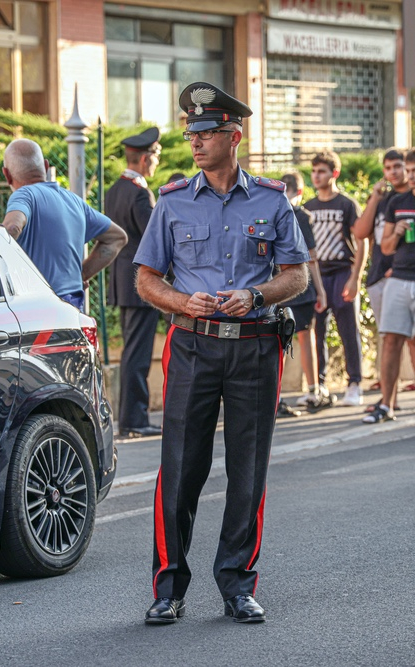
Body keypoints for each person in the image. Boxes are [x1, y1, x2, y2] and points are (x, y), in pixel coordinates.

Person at [134, 82, 309, 625]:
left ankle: (237, 583)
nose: (196, 141)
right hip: (191, 345)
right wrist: (184, 299)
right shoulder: (172, 200)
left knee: (247, 470)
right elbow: (145, 279)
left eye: (207, 132)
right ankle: (169, 587)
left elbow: (297, 275)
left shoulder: (272, 199)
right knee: (181, 467)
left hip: (256, 346)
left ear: (235, 135)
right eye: (192, 133)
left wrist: (255, 295)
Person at [362, 146, 415, 426]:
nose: (409, 176)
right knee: (390, 341)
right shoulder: (396, 202)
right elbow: (385, 247)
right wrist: (397, 232)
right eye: (407, 170)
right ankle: (387, 404)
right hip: (398, 280)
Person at [2, 138, 127, 311]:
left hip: (38, 308)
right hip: (73, 309)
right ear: (45, 166)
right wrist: (81, 274)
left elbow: (12, 227)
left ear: (6, 174)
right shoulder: (74, 201)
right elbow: (117, 237)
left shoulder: (24, 195)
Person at [106, 127, 164, 438]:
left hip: (121, 280)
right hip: (141, 282)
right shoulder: (141, 193)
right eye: (155, 156)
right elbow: (154, 239)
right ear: (144, 159)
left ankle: (129, 418)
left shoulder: (114, 190)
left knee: (131, 350)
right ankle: (135, 419)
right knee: (137, 354)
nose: (156, 163)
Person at [302, 150, 367, 407]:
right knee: (315, 330)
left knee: (348, 330)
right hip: (316, 276)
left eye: (322, 171)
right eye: (314, 171)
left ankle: (354, 384)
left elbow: (362, 242)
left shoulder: (347, 204)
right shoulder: (308, 207)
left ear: (334, 173)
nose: (316, 176)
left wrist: (355, 277)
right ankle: (319, 385)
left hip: (342, 272)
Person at [354, 149, 409, 395]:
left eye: (397, 166)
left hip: (405, 275)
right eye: (387, 168)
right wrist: (374, 199)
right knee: (386, 335)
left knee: (413, 336)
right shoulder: (382, 199)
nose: (393, 172)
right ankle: (389, 390)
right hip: (378, 276)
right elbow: (360, 232)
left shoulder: (413, 198)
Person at [277, 171, 327, 417]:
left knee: (278, 342)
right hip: (300, 285)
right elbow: (313, 258)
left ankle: (274, 395)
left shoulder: (271, 213)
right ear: (300, 192)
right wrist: (321, 291)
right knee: (306, 338)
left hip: (276, 287)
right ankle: (313, 390)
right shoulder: (301, 215)